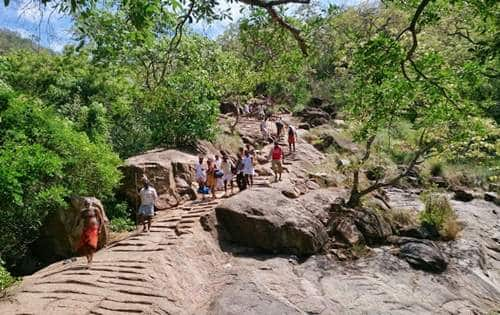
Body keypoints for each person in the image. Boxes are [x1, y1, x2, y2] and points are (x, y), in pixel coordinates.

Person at [77, 200, 103, 266]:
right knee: (84, 245)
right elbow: (78, 219)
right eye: (86, 204)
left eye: (88, 203)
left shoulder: (95, 209)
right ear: (84, 204)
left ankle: (90, 260)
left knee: (91, 245)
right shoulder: (83, 211)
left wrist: (100, 228)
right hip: (86, 229)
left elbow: (100, 219)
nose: (87, 205)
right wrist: (75, 226)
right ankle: (88, 259)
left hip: (94, 228)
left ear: (91, 203)